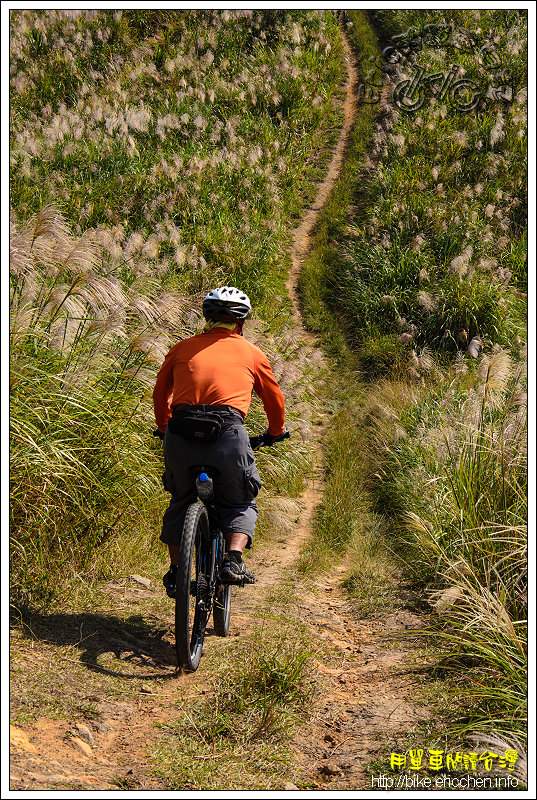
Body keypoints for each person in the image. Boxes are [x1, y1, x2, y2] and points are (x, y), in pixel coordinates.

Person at [153, 286, 287, 596]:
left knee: (180, 501)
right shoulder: (252, 353)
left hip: (180, 434)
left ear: (208, 318)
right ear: (241, 323)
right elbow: (274, 400)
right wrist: (275, 432)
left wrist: (163, 428)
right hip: (228, 434)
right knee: (240, 500)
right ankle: (233, 560)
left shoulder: (181, 348)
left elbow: (161, 395)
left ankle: (177, 571)